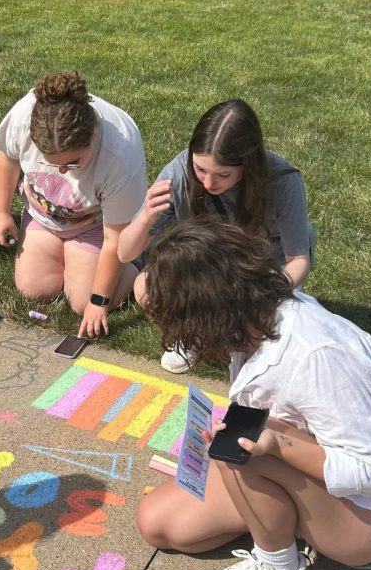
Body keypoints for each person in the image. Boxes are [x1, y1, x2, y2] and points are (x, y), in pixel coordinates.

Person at [137, 219, 371, 570]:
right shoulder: (253, 322)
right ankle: (278, 516)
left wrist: (276, 445)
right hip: (315, 478)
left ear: (207, 309)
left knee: (239, 447)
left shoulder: (319, 353)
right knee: (159, 523)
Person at [117, 98, 312, 372]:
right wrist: (146, 216)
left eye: (223, 174)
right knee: (145, 286)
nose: (208, 183)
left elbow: (298, 260)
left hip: (262, 270)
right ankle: (193, 336)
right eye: (200, 170)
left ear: (248, 165)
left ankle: (239, 337)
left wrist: (267, 295)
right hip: (207, 266)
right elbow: (125, 253)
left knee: (263, 347)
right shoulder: (178, 174)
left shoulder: (282, 181)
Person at [0, 72, 147, 338]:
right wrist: (2, 212)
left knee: (81, 301)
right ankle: (67, 254)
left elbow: (114, 239)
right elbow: (8, 158)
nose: (62, 171)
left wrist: (99, 302)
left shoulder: (120, 153)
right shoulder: (25, 117)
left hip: (95, 223)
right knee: (33, 289)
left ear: (93, 135)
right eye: (51, 162)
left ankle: (134, 265)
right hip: (44, 214)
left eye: (73, 162)